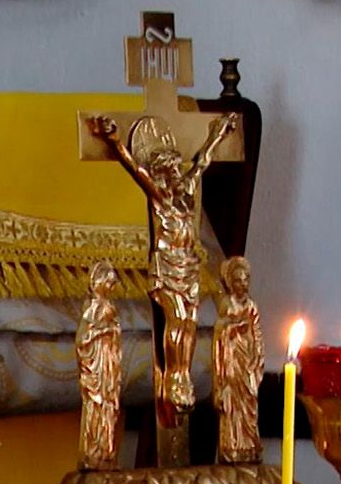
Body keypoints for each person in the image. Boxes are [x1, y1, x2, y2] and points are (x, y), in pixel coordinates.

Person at [85, 112, 240, 428]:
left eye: (176, 169)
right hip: (167, 269)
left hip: (188, 267)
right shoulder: (160, 197)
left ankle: (182, 376)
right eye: (170, 171)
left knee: (190, 323)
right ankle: (174, 375)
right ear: (162, 174)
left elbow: (202, 162)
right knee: (177, 319)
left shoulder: (185, 194)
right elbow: (135, 169)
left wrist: (219, 133)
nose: (176, 175)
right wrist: (115, 141)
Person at [214, 256, 264, 465]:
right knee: (233, 404)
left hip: (247, 360)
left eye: (246, 280)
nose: (243, 284)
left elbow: (257, 332)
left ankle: (249, 444)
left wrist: (256, 356)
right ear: (231, 283)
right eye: (238, 281)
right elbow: (220, 331)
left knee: (249, 401)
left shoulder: (252, 306)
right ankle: (232, 445)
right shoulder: (227, 304)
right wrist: (234, 328)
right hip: (232, 359)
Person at [75, 260, 122, 469]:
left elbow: (115, 334)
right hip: (96, 365)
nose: (111, 287)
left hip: (108, 365)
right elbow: (82, 339)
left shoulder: (109, 307)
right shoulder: (93, 308)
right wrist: (105, 331)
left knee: (109, 406)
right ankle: (93, 450)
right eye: (108, 283)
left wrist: (113, 332)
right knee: (96, 405)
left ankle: (106, 450)